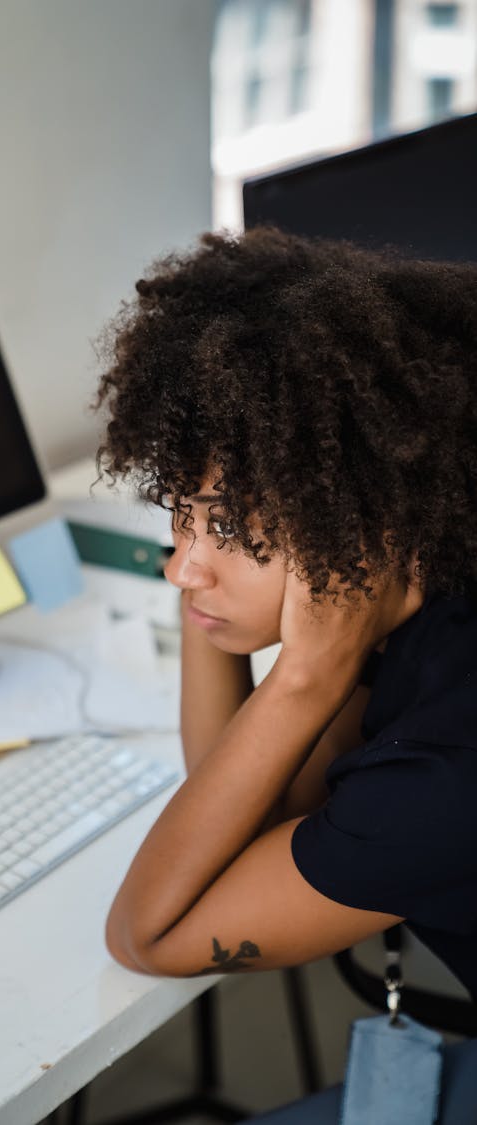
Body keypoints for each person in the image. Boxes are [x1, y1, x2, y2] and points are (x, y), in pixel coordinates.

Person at [94, 225, 477, 1000]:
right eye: (179, 510)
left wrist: (305, 673)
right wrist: (209, 595)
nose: (180, 566)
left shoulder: (443, 767)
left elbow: (149, 932)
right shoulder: (429, 585)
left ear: (355, 512)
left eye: (231, 528)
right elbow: (245, 801)